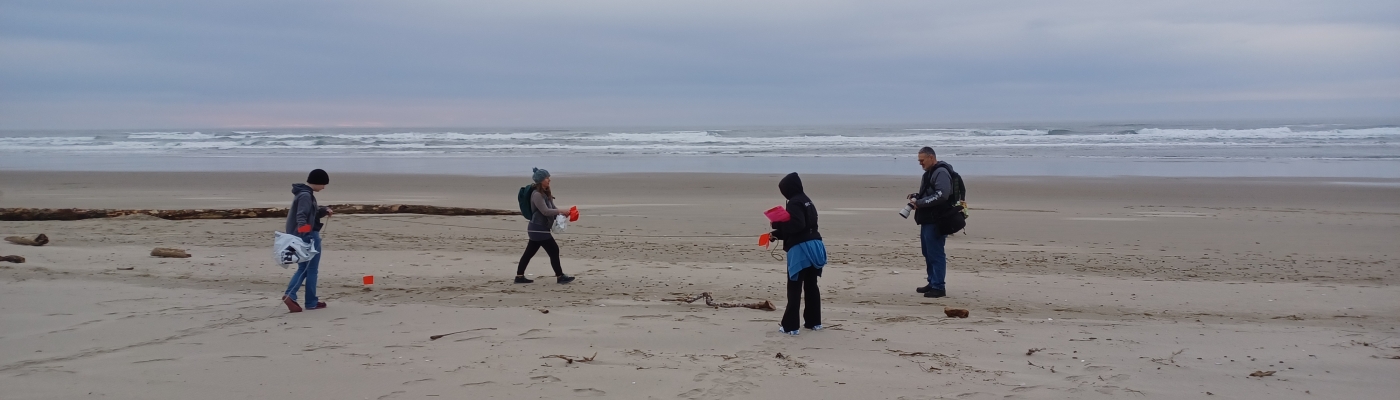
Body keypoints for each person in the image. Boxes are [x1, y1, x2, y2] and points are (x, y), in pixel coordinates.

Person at [771, 172, 826, 335]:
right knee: (811, 286)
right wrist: (777, 233)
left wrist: (777, 224)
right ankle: (814, 322)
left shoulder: (794, 202)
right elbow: (805, 226)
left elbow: (797, 225)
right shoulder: (807, 200)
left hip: (801, 250)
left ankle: (790, 327)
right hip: (815, 246)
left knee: (794, 288)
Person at [908, 147, 957, 298]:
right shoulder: (928, 173)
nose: (920, 163)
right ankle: (932, 281)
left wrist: (920, 203)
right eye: (919, 161)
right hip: (927, 219)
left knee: (936, 253)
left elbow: (942, 195)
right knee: (928, 252)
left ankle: (938, 286)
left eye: (922, 160)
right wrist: (917, 197)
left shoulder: (941, 172)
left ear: (931, 157)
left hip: (937, 219)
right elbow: (929, 193)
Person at [282, 169, 332, 312]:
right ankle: (307, 301)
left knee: (304, 268)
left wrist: (324, 210)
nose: (324, 187)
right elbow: (301, 217)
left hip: (303, 235)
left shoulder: (304, 194)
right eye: (323, 184)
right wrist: (306, 236)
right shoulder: (305, 195)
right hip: (307, 235)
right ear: (318, 182)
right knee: (311, 269)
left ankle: (293, 296)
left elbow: (312, 213)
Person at [516, 168, 575, 284]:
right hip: (537, 228)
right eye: (547, 178)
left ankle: (519, 277)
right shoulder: (536, 194)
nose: (549, 180)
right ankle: (560, 276)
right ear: (540, 180)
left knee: (529, 253)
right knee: (553, 250)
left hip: (540, 229)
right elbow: (545, 211)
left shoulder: (546, 193)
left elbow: (552, 208)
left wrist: (563, 214)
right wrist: (560, 211)